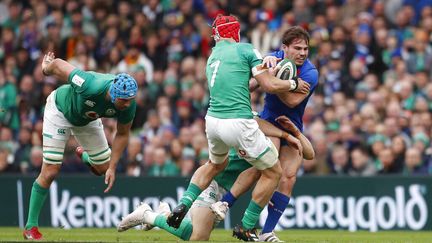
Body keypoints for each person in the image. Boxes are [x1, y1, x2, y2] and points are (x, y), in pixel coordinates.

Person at [164, 15, 310, 242]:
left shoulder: (213, 56)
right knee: (273, 171)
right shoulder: (246, 50)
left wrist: (269, 64)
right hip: (238, 122)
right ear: (236, 33)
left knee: (215, 164)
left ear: (217, 36)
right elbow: (269, 85)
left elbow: (247, 83)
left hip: (212, 121)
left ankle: (183, 203)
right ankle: (248, 226)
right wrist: (292, 83)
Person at [117, 116, 314, 241]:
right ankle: (148, 215)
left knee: (194, 234)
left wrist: (293, 134)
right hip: (213, 185)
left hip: (224, 193)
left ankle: (153, 215)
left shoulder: (275, 143)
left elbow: (309, 153)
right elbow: (255, 128)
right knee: (197, 238)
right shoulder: (250, 125)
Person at [213, 26, 319, 242]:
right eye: (297, 48)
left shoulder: (310, 73)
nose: (302, 53)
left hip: (292, 125)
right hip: (267, 122)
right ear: (285, 48)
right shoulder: (273, 58)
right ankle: (225, 203)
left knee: (288, 177)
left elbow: (292, 101)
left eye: (305, 49)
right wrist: (269, 77)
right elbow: (255, 82)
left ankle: (267, 232)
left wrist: (272, 82)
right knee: (266, 165)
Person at [22, 52, 137, 240]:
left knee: (103, 169)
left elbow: (123, 134)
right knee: (50, 171)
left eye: (130, 99)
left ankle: (84, 155)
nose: (127, 104)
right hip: (60, 111)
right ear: (113, 93)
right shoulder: (90, 84)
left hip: (87, 120)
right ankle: (31, 227)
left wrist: (113, 167)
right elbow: (59, 65)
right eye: (123, 100)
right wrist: (45, 68)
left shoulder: (129, 103)